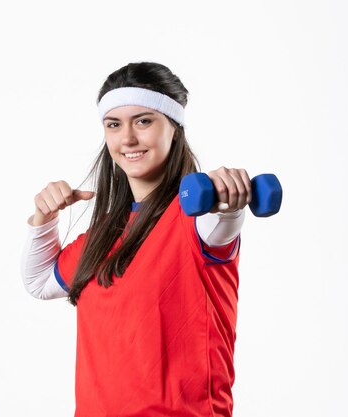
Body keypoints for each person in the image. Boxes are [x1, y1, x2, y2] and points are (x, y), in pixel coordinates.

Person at [20, 62, 251, 417]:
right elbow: (38, 281)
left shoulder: (198, 218)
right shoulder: (102, 237)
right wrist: (44, 219)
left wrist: (229, 200)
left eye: (143, 121)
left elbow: (222, 221)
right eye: (114, 125)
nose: (127, 138)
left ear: (174, 128)